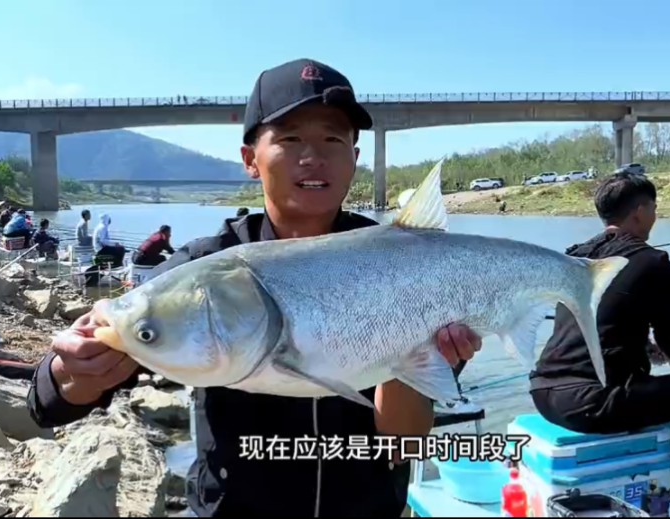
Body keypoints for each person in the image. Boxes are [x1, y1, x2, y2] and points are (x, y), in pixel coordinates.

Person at [26, 58, 482, 518]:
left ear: (354, 158)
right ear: (250, 159)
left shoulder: (410, 263)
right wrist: (72, 371)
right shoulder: (205, 270)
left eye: (332, 139)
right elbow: (48, 405)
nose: (313, 156)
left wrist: (413, 353)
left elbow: (402, 443)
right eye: (290, 138)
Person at [528, 173, 670, 518]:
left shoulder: (575, 257)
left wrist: (642, 346)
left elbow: (598, 324)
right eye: (653, 207)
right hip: (592, 403)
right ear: (638, 212)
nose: (655, 215)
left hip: (544, 394)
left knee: (668, 389)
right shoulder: (655, 264)